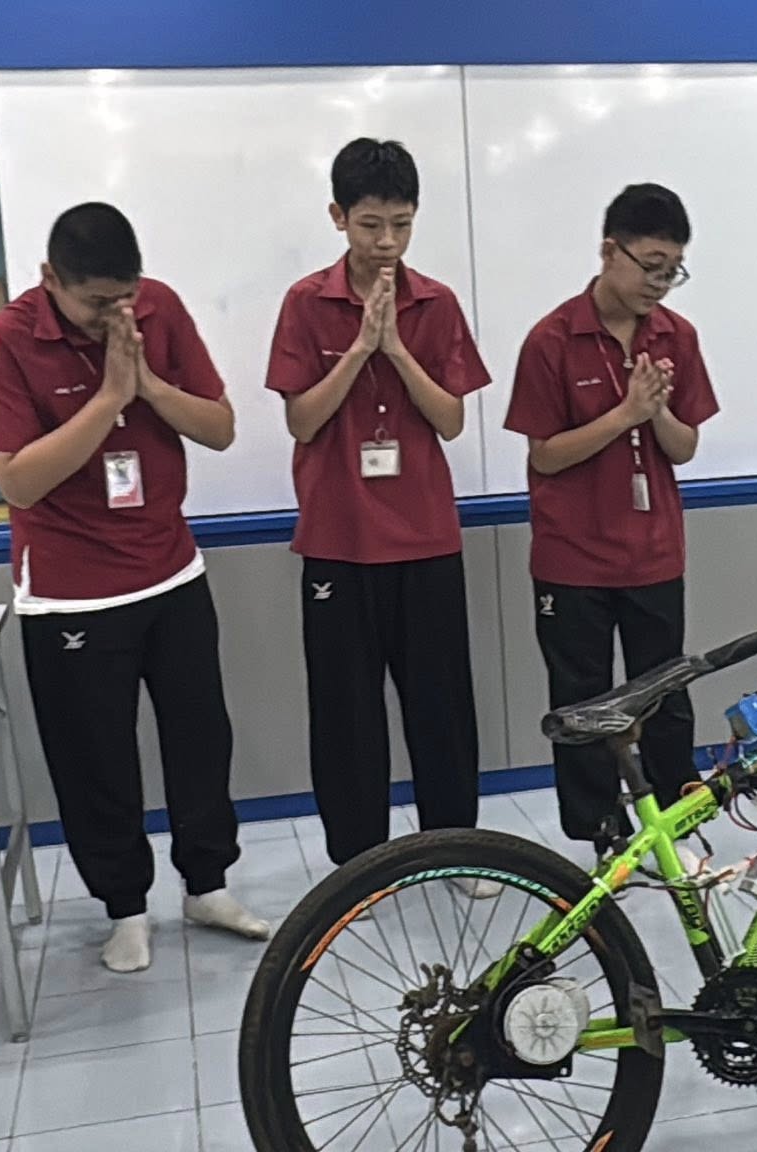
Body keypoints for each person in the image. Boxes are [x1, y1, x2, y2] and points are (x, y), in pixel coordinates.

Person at [0, 202, 269, 974]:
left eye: (124, 297)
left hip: (170, 569)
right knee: (96, 761)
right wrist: (108, 398)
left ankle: (207, 886)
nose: (115, 314)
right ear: (51, 279)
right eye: (96, 302)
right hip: (71, 590)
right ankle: (125, 910)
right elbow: (18, 481)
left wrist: (147, 386)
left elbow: (219, 428)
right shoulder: (9, 340)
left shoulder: (159, 309)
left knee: (201, 740)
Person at [265, 139, 494, 874]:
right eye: (370, 224)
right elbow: (303, 421)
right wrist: (361, 347)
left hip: (426, 539)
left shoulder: (438, 302)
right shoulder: (306, 302)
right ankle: (357, 865)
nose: (387, 241)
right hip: (338, 540)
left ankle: (455, 850)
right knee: (346, 715)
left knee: (441, 708)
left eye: (401, 223)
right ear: (338, 216)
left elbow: (451, 420)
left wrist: (396, 347)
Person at [502, 183, 720, 849]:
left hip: (654, 552)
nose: (660, 283)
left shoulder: (677, 336)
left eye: (672, 270)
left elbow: (684, 447)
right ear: (608, 251)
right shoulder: (551, 339)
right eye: (651, 265)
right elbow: (546, 455)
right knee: (583, 702)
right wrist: (624, 414)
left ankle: (676, 823)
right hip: (573, 560)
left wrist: (655, 412)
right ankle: (601, 832)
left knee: (666, 695)